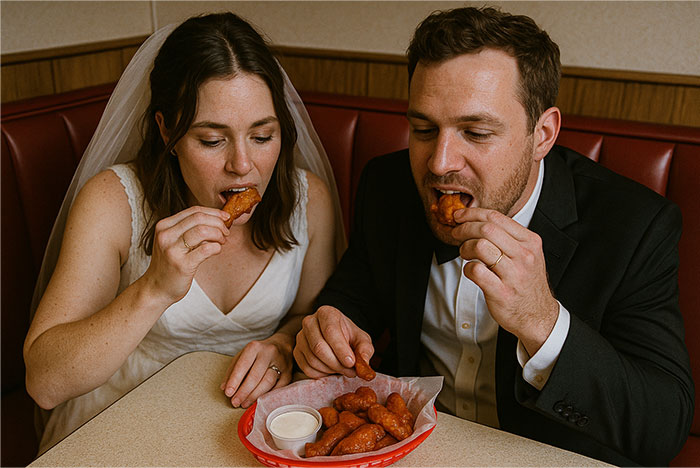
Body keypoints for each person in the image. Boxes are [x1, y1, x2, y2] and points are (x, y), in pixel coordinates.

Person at [293, 6, 694, 466]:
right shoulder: (387, 185)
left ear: (542, 134)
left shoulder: (635, 225)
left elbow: (664, 427)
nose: (440, 162)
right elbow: (356, 292)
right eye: (423, 129)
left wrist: (542, 322)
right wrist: (331, 323)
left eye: (476, 132)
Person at [23, 12, 345, 454]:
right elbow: (44, 383)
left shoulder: (311, 200)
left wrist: (284, 343)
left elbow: (310, 319)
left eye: (263, 136)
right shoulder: (113, 202)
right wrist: (153, 289)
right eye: (213, 140)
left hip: (247, 432)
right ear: (166, 131)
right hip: (124, 422)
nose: (243, 165)